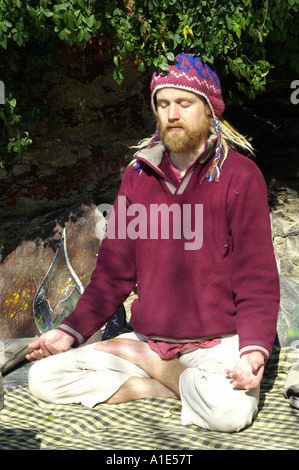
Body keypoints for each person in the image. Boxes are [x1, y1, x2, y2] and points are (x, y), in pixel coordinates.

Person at [27, 53, 280, 432]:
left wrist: (253, 350)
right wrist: (69, 331)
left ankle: (154, 368)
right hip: (149, 337)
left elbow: (256, 277)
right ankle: (170, 383)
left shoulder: (239, 177)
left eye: (184, 103)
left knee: (229, 413)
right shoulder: (139, 176)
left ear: (209, 110)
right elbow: (114, 271)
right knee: (42, 378)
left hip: (216, 344)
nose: (172, 114)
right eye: (163, 104)